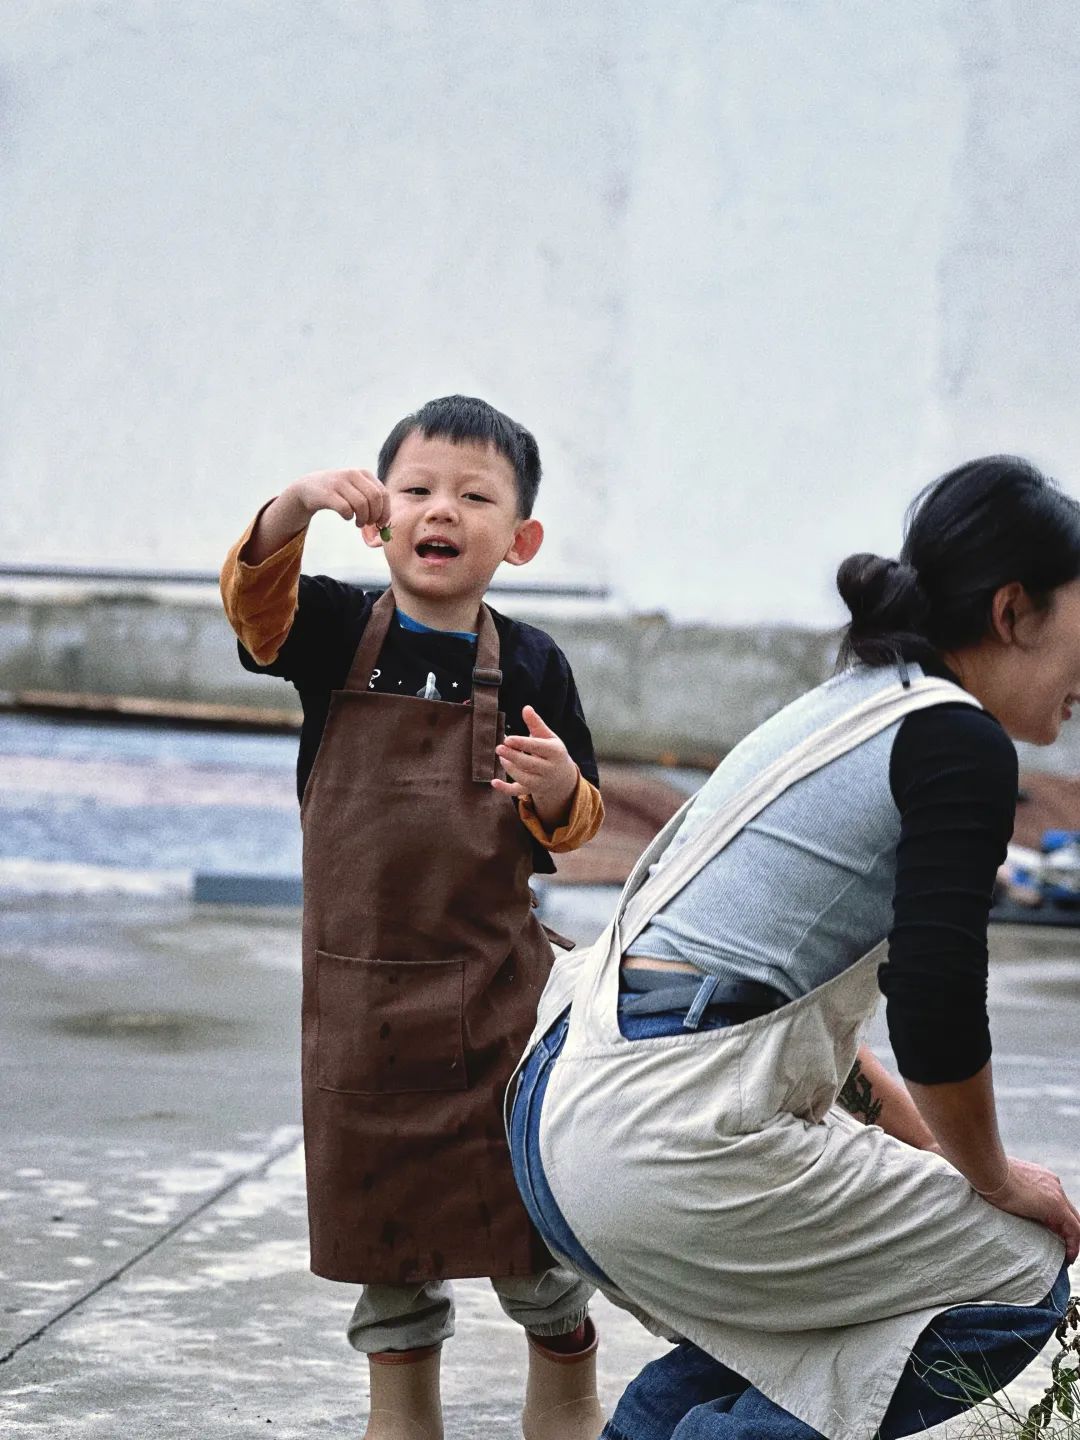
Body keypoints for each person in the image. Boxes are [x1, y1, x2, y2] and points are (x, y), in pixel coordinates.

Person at [507, 455, 1080, 1440]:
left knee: (863, 1291)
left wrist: (942, 1157)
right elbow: (940, 1008)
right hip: (659, 1142)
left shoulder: (857, 698)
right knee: (1020, 1275)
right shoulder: (958, 743)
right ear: (1016, 612)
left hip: (561, 1108)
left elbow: (785, 1020)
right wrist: (992, 1178)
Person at [220, 395, 607, 1440]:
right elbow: (257, 611)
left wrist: (559, 786)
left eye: (476, 496)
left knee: (530, 1246)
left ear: (519, 540)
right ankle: (400, 1419)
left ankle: (566, 1393)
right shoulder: (336, 630)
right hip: (361, 1011)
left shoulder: (531, 665)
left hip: (495, 1001)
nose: (444, 509)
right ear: (379, 515)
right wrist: (293, 504)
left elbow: (575, 831)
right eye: (420, 489)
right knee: (385, 1262)